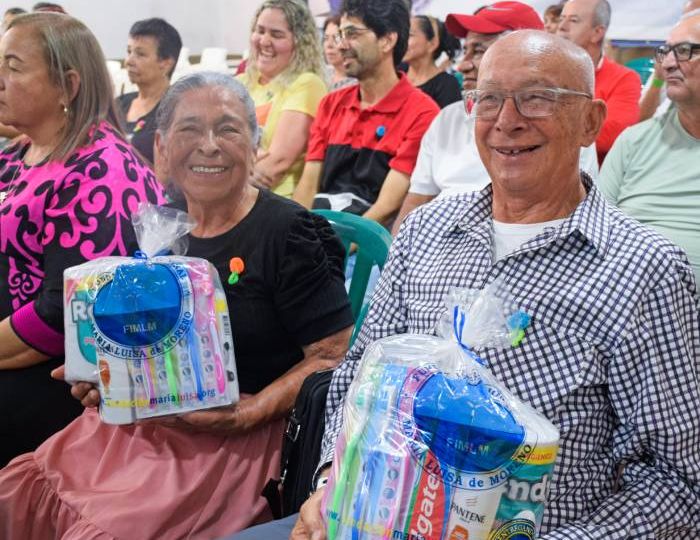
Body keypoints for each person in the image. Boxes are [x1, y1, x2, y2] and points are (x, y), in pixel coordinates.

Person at [240, 30, 700, 540]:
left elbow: (676, 482)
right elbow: (356, 380)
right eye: (488, 99)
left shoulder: (644, 268)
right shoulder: (426, 230)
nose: (507, 120)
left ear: (590, 121)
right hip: (371, 517)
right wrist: (331, 487)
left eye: (537, 98)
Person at [0, 72, 355, 539]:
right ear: (162, 148)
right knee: (19, 494)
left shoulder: (288, 233)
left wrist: (244, 415)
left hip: (234, 439)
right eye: (190, 129)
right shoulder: (156, 228)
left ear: (254, 145)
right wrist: (107, 377)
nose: (208, 145)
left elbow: (334, 356)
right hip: (144, 422)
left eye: (228, 128)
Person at [0, 12, 165, 467]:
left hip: (57, 382)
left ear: (67, 86)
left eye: (13, 67)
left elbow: (64, 316)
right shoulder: (22, 152)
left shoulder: (100, 170)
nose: (0, 78)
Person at [393, 2, 598, 234]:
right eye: (465, 50)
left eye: (479, 51)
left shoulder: (564, 125)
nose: (462, 65)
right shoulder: (447, 119)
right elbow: (415, 201)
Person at [292, 0, 439, 225]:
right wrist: (296, 235)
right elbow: (308, 183)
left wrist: (334, 247)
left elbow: (386, 206)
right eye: (340, 35)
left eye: (352, 34)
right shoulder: (331, 104)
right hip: (318, 233)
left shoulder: (422, 113)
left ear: (387, 40)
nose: (340, 45)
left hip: (367, 244)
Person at [599, 13, 700, 284]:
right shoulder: (634, 141)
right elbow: (594, 233)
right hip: (620, 300)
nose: (667, 64)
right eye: (665, 52)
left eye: (684, 51)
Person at [238, 0, 327, 198]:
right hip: (235, 197)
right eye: (260, 31)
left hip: (277, 203)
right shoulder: (239, 84)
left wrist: (232, 162)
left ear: (300, 42)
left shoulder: (307, 84)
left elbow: (274, 165)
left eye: (276, 34)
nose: (264, 41)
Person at [557, 0, 641, 164]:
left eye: (573, 20)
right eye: (562, 18)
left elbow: (612, 135)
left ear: (597, 32)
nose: (562, 27)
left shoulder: (624, 79)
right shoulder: (542, 74)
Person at [118, 18, 182, 166]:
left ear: (166, 63)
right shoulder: (117, 105)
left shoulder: (176, 110)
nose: (129, 61)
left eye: (140, 54)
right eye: (129, 52)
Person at [638, 0, 700, 121]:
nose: (669, 64)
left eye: (694, 17)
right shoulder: (668, 61)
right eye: (684, 19)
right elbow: (640, 118)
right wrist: (658, 80)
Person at [403, 15, 462, 108]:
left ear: (432, 44)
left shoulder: (446, 85)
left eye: (409, 35)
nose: (401, 39)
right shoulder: (397, 72)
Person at [323, 15, 356, 91]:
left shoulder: (356, 83)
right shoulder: (321, 74)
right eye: (326, 38)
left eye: (336, 38)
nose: (329, 45)